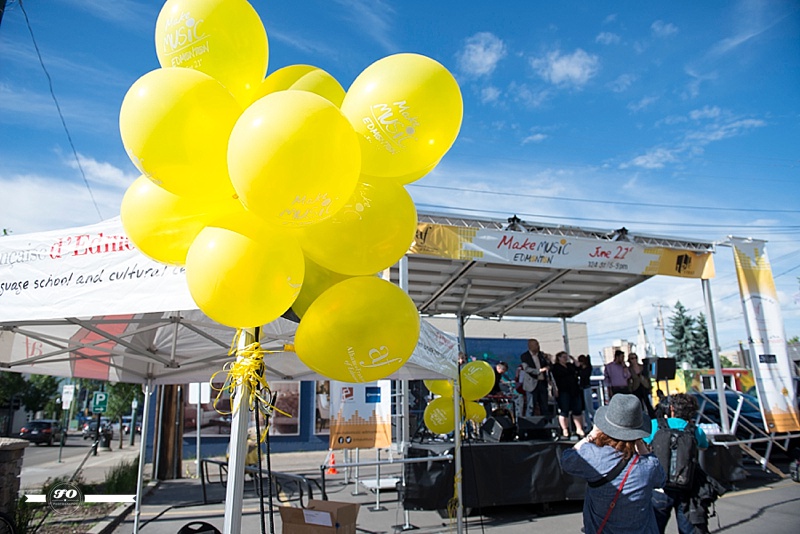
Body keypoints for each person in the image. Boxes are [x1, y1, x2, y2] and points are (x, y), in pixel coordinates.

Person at [561, 394, 666, 534]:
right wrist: (639, 442)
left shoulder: (593, 456)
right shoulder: (649, 465)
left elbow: (567, 459)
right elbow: (661, 480)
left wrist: (591, 435)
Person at [644, 393, 709, 534]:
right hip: (686, 487)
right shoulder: (696, 431)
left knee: (654, 529)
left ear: (671, 409)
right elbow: (704, 446)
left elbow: (642, 445)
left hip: (659, 488)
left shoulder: (655, 425)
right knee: (688, 529)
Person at [550, 351, 586, 439]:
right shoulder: (555, 367)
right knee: (564, 410)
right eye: (563, 357)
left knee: (577, 409)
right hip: (563, 390)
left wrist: (573, 359)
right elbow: (552, 379)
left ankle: (579, 428)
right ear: (559, 358)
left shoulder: (570, 366)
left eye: (566, 357)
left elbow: (578, 367)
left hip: (574, 389)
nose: (565, 358)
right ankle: (565, 430)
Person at [519, 339, 551, 418]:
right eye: (536, 344)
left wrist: (548, 364)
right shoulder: (525, 356)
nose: (538, 346)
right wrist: (539, 370)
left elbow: (548, 365)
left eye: (538, 344)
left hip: (542, 383)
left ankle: (546, 423)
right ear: (530, 346)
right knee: (531, 406)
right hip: (531, 384)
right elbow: (527, 369)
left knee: (544, 405)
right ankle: (529, 423)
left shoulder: (541, 355)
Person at [627, 353, 656, 419]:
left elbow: (648, 377)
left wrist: (650, 387)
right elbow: (628, 380)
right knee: (639, 404)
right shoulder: (629, 369)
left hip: (644, 385)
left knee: (648, 403)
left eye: (635, 358)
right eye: (632, 358)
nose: (634, 360)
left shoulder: (642, 367)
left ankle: (653, 417)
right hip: (636, 387)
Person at [578, 354, 596, 428]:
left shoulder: (587, 368)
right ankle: (588, 424)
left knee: (589, 408)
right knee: (585, 409)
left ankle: (596, 422)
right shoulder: (580, 369)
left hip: (587, 388)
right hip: (582, 388)